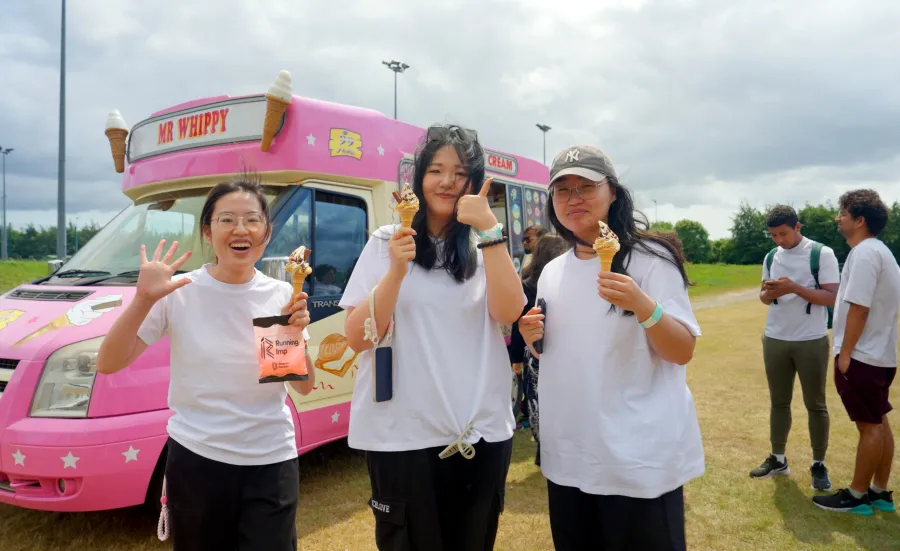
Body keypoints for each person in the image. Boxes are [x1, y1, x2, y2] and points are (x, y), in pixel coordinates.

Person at [96, 176, 315, 550]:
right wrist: (142, 300)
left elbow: (302, 384)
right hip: (198, 458)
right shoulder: (180, 291)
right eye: (226, 219)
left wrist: (294, 334)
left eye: (252, 219)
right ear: (208, 231)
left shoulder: (281, 294)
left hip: (271, 460)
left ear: (266, 230)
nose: (240, 229)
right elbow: (109, 362)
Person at [339, 124, 526, 550]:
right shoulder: (386, 242)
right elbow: (357, 337)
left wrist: (492, 231)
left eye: (459, 173)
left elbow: (509, 312)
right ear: (419, 177)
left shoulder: (485, 248)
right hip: (402, 437)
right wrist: (395, 273)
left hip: (479, 435)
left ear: (474, 182)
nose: (446, 182)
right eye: (435, 170)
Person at [518, 145, 704, 550]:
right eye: (562, 190)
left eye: (586, 186)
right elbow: (564, 353)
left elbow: (682, 350)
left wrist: (642, 305)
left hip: (636, 462)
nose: (574, 199)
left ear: (613, 193)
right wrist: (534, 339)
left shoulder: (650, 259)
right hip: (568, 456)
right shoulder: (551, 272)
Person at [813, 189, 898, 516]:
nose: (838, 218)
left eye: (843, 213)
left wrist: (845, 353)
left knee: (870, 426)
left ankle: (858, 495)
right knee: (879, 422)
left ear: (860, 220)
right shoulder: (882, 252)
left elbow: (860, 308)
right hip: (880, 355)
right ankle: (879, 492)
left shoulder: (863, 254)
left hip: (862, 356)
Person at [751, 205, 839, 491]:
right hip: (775, 337)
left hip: (811, 338)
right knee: (778, 401)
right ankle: (778, 459)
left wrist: (794, 288)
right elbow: (763, 298)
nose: (779, 240)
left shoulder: (821, 254)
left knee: (815, 404)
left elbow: (831, 297)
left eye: (784, 233)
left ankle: (818, 464)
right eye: (773, 235)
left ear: (798, 227)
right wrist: (769, 292)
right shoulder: (771, 256)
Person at [508, 233, 568, 462]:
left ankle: (544, 449)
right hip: (554, 350)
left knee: (537, 402)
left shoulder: (526, 283)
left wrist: (516, 359)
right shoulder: (557, 282)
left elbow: (517, 325)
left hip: (531, 352)